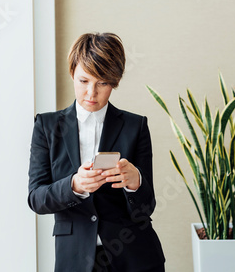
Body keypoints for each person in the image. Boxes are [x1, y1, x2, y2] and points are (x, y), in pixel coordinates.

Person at [28, 32, 165, 272]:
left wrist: (136, 182)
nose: (92, 93)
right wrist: (74, 185)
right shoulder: (47, 127)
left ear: (115, 82)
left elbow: (147, 206)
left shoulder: (136, 126)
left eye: (102, 83)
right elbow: (36, 198)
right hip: (75, 259)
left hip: (134, 258)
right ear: (72, 74)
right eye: (83, 81)